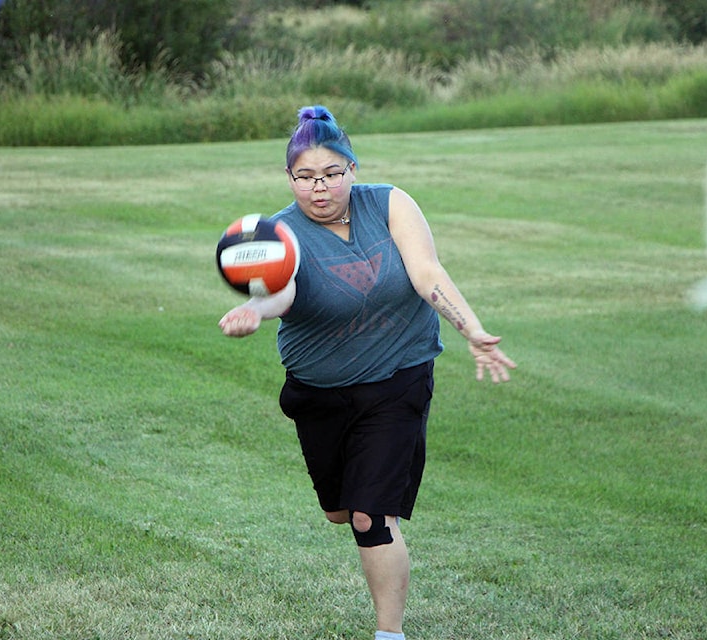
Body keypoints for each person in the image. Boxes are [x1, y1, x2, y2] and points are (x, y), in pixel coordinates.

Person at [218, 105, 516, 640]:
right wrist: (254, 311)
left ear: (352, 168)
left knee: (370, 518)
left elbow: (426, 272)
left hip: (398, 379)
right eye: (305, 177)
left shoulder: (391, 204)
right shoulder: (282, 232)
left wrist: (471, 327)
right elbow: (281, 289)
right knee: (340, 511)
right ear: (290, 178)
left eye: (332, 174)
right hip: (319, 392)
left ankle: (389, 633)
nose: (320, 187)